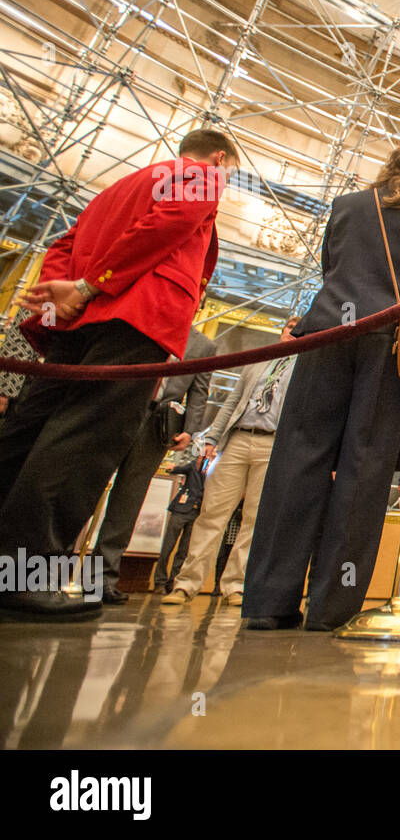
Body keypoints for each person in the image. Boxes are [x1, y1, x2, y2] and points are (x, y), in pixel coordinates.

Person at [0, 128, 234, 620]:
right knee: (81, 444)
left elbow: (65, 245)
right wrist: (88, 286)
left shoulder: (116, 188)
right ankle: (25, 578)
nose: (228, 181)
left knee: (25, 435)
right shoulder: (201, 176)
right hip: (135, 318)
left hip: (77, 325)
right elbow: (167, 226)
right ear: (218, 158)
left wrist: (63, 305)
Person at [241, 147, 400, 630]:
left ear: (387, 171)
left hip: (329, 332)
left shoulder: (346, 206)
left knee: (297, 459)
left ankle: (268, 601)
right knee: (365, 469)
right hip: (390, 341)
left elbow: (330, 268)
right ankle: (332, 607)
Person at [162, 318, 301, 607]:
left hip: (273, 443)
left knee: (254, 519)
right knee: (212, 513)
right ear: (281, 331)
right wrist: (212, 438)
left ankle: (235, 585)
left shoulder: (306, 368)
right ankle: (186, 584)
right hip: (237, 438)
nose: (291, 332)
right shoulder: (258, 360)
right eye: (288, 327)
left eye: (298, 329)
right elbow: (232, 401)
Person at [95, 327, 217, 604]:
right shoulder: (145, 325)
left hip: (158, 425)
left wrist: (190, 430)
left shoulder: (204, 347)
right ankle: (50, 575)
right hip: (118, 410)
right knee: (85, 489)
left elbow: (199, 392)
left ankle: (100, 579)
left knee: (128, 499)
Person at [153, 440, 217, 594]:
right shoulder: (194, 465)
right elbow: (178, 469)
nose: (212, 455)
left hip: (197, 513)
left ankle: (173, 582)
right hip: (181, 509)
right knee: (167, 547)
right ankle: (159, 581)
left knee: (183, 551)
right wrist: (171, 468)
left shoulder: (216, 472)